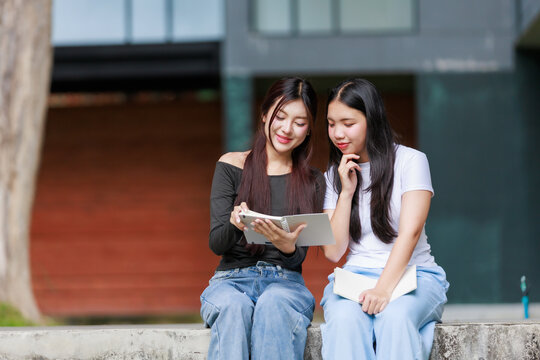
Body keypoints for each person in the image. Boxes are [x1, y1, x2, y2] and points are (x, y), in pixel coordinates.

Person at [319, 78, 449, 360]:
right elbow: (333, 251)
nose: (337, 133)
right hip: (355, 279)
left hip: (415, 276)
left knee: (394, 318)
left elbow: (410, 233)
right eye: (331, 123)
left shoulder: (411, 161)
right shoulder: (333, 175)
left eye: (348, 123)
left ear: (372, 119)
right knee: (343, 321)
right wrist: (346, 193)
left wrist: (382, 289)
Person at [200, 77, 325, 360]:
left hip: (286, 284)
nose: (287, 128)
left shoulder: (312, 181)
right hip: (229, 282)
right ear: (265, 114)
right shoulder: (231, 165)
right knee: (234, 307)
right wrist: (235, 225)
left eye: (299, 122)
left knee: (273, 302)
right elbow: (216, 244)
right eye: (280, 116)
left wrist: (287, 246)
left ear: (308, 130)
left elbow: (298, 259)